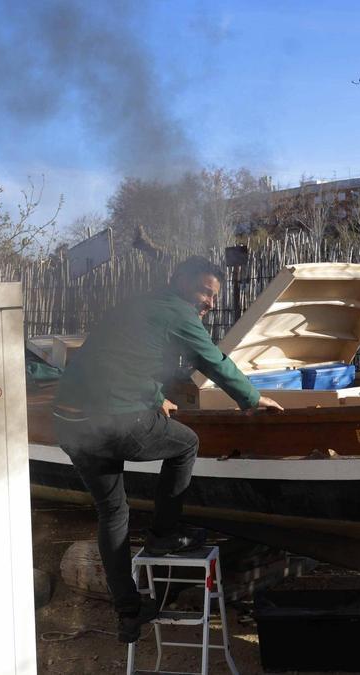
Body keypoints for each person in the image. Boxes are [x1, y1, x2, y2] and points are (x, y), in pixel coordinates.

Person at [52, 255, 284, 643]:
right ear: (179, 280)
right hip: (115, 420)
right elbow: (213, 361)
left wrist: (156, 395)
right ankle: (164, 533)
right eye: (203, 292)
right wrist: (251, 398)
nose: (208, 302)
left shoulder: (137, 305)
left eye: (213, 297)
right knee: (186, 444)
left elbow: (125, 359)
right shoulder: (180, 314)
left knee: (112, 511)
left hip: (72, 422)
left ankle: (128, 612)